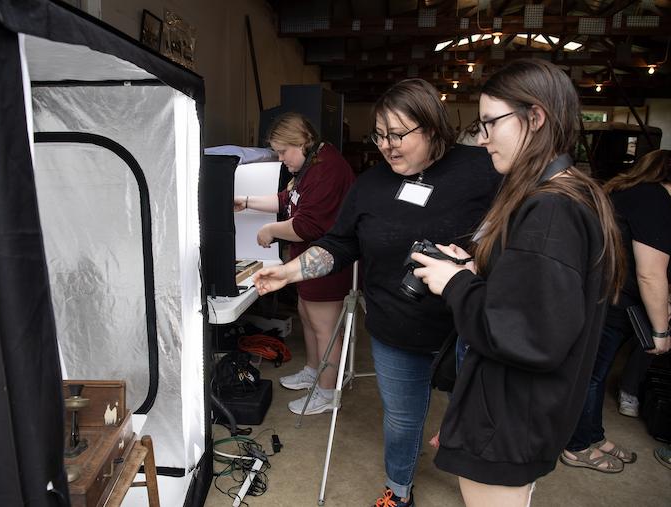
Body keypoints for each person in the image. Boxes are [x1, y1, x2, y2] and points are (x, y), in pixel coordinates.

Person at [252, 79, 501, 507]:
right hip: (395, 327)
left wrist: (481, 261)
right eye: (380, 135)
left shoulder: (483, 168)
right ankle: (399, 492)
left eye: (399, 135)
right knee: (402, 421)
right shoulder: (369, 185)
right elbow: (340, 243)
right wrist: (290, 272)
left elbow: (520, 227)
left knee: (479, 422)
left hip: (469, 330)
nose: (387, 146)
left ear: (433, 127)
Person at [412, 59, 625, 506]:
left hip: (509, 421)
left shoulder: (551, 210)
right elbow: (539, 298)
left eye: (491, 123)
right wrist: (475, 271)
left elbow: (527, 335)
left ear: (535, 116)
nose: (483, 139)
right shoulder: (572, 192)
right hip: (518, 414)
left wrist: (455, 284)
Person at [234, 112, 355, 415]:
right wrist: (247, 201)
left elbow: (307, 226)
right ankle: (314, 372)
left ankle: (327, 392)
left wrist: (270, 230)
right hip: (307, 261)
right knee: (307, 315)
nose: (280, 158)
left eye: (283, 151)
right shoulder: (310, 166)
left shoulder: (327, 170)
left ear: (302, 142)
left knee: (325, 327)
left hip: (328, 261)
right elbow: (286, 200)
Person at [560, 149, 671, 472]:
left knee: (594, 373)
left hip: (599, 295)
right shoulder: (655, 202)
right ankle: (577, 445)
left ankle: (593, 435)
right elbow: (650, 273)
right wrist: (661, 331)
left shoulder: (629, 191)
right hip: (611, 300)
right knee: (591, 376)